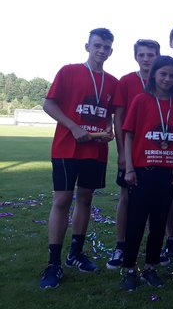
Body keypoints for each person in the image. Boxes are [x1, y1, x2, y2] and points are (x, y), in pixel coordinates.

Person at [40, 28, 118, 289]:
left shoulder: (112, 81)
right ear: (87, 46)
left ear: (111, 51)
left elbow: (107, 114)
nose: (102, 51)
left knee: (86, 198)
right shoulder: (69, 71)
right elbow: (49, 104)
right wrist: (73, 126)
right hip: (66, 147)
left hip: (95, 150)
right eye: (97, 45)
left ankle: (76, 253)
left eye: (106, 47)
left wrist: (108, 131)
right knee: (62, 199)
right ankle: (54, 262)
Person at [119, 56, 173, 290]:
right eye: (163, 74)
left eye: (171, 75)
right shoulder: (141, 100)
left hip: (167, 172)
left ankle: (151, 267)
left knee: (159, 222)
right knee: (137, 222)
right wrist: (129, 168)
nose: (167, 79)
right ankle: (129, 269)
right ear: (154, 75)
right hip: (143, 171)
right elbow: (129, 134)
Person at [108, 39, 161, 270]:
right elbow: (118, 118)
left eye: (151, 55)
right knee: (126, 197)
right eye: (142, 55)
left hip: (157, 153)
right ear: (135, 57)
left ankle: (154, 247)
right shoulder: (127, 81)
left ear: (158, 56)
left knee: (157, 202)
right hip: (132, 152)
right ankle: (121, 245)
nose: (146, 59)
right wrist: (122, 153)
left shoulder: (164, 81)